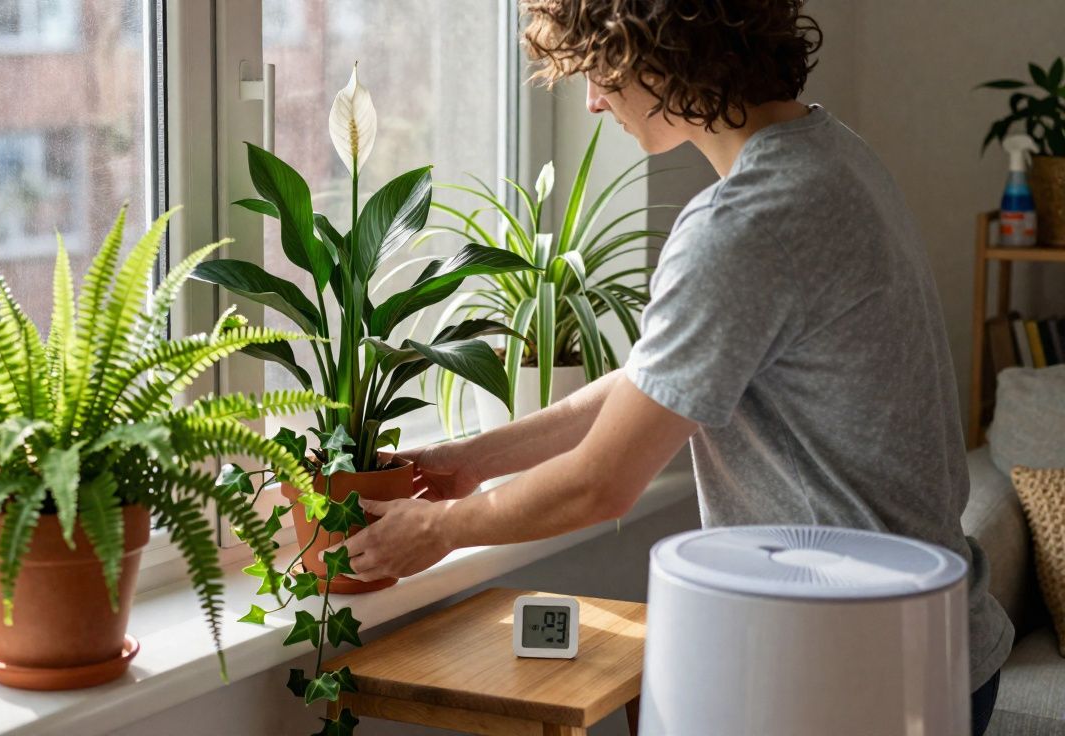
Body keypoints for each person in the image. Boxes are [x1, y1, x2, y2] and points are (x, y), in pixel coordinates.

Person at [328, 1, 1011, 732]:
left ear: (666, 55)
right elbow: (654, 385)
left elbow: (602, 482)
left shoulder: (744, 224)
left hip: (844, 670)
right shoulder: (830, 153)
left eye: (602, 69)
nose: (591, 100)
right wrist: (472, 457)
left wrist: (442, 531)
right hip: (928, 648)